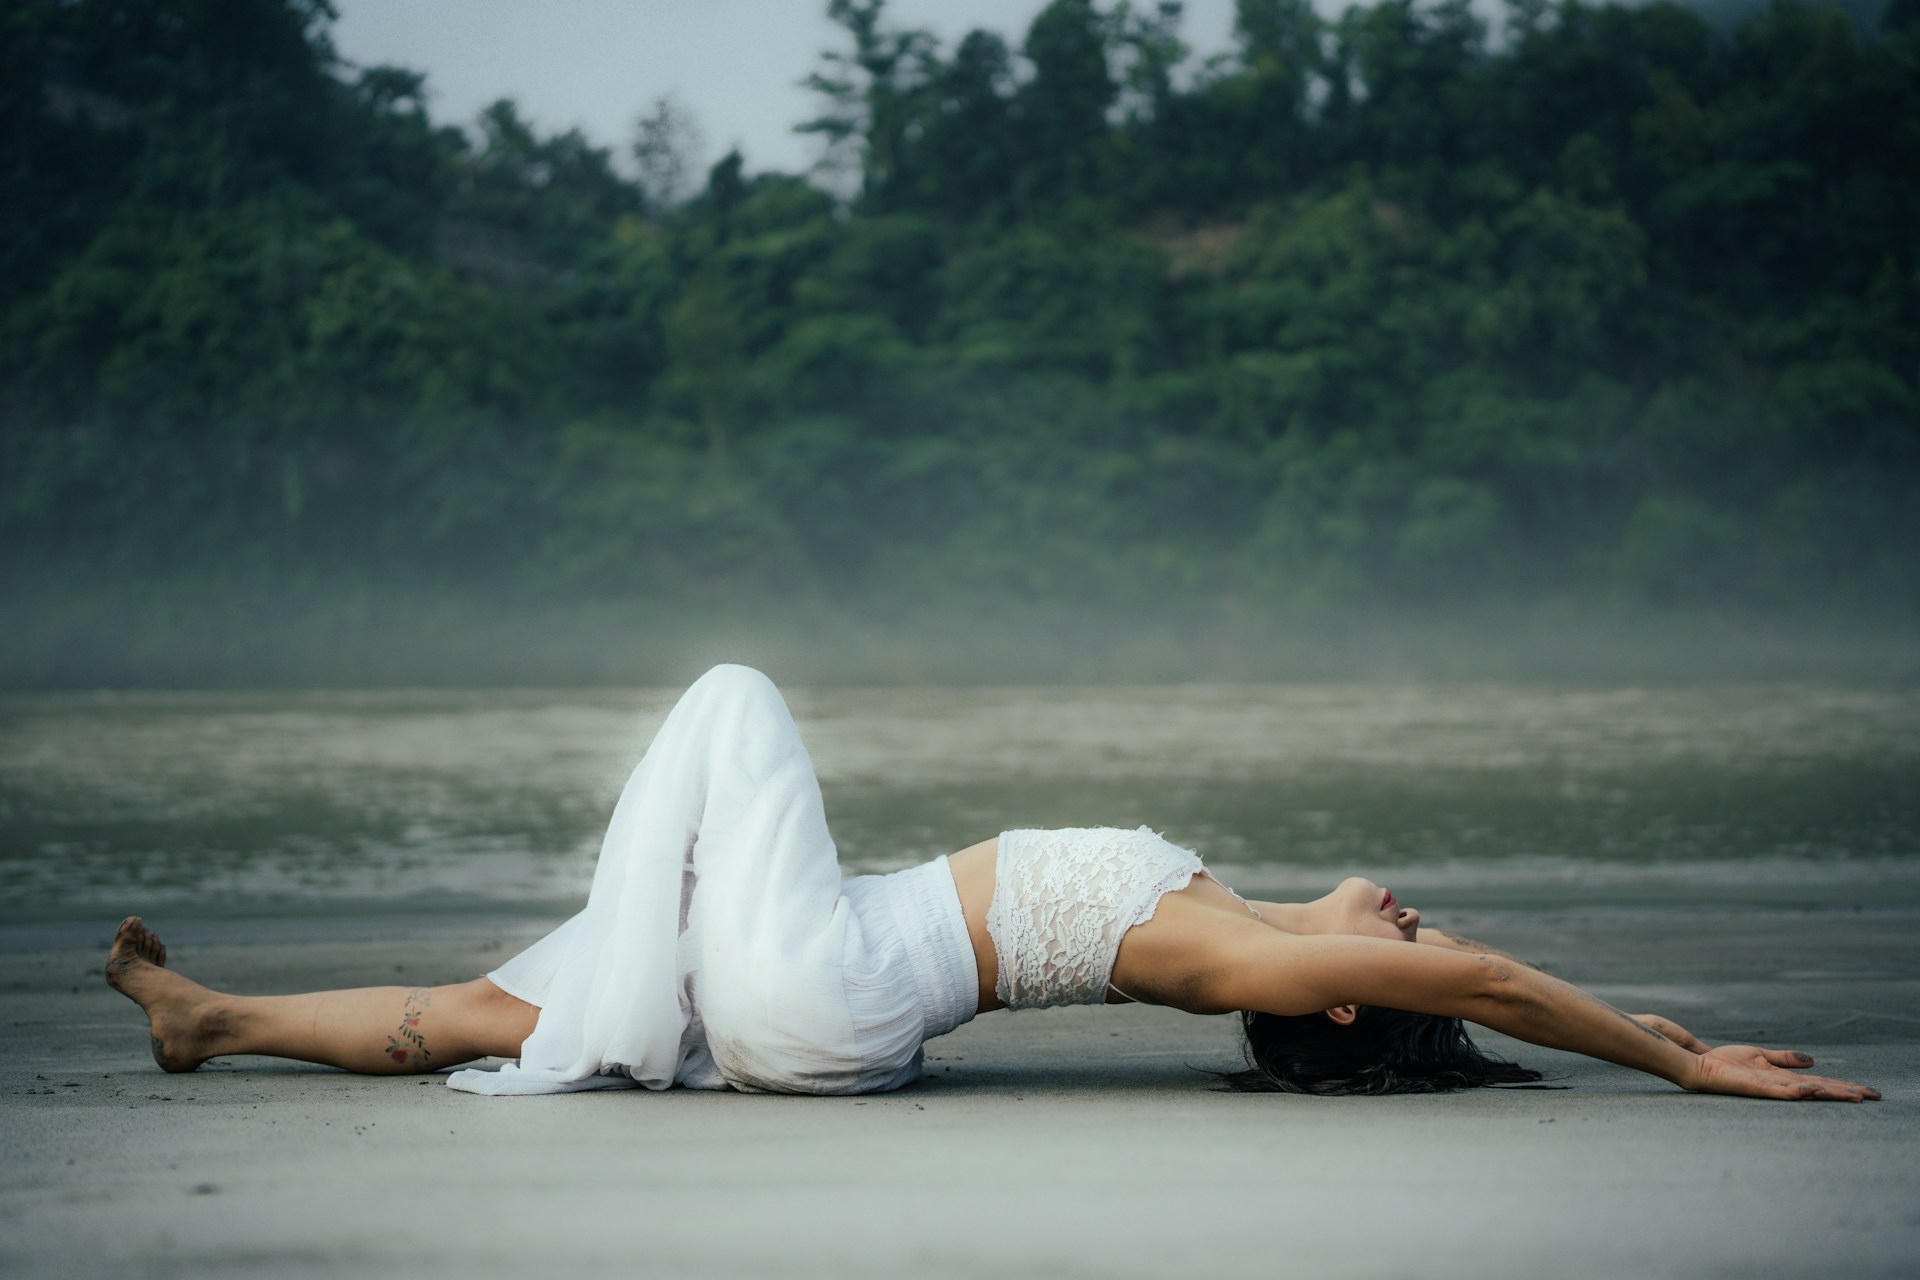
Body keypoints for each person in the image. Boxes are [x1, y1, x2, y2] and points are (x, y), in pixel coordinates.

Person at [104, 665, 1879, 1103]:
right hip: (822, 991)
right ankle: (215, 1019)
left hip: (831, 988)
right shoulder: (1246, 931)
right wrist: (1658, 1028)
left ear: (1347, 1007)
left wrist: (1684, 1072)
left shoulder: (1252, 964)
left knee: (733, 691)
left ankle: (628, 982)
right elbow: (1492, 982)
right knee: (520, 1003)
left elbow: (1486, 987)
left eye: (1400, 948)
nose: (1414, 915)